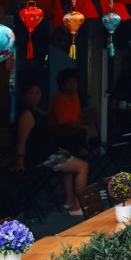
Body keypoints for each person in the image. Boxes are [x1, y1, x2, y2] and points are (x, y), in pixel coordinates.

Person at [13, 82, 89, 216]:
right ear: (24, 96)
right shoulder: (27, 115)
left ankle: (70, 200)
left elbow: (43, 137)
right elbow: (22, 140)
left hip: (48, 152)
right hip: (38, 157)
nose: (35, 96)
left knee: (69, 164)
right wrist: (20, 162)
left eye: (38, 92)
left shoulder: (38, 112)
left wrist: (58, 149)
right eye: (31, 93)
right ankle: (77, 206)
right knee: (83, 166)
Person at [48, 68, 96, 154]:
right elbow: (63, 123)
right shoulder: (59, 99)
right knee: (84, 144)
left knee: (92, 140)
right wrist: (83, 128)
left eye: (75, 82)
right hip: (60, 135)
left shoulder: (75, 96)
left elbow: (78, 117)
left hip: (73, 133)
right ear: (62, 85)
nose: (72, 85)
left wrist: (83, 129)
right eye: (69, 82)